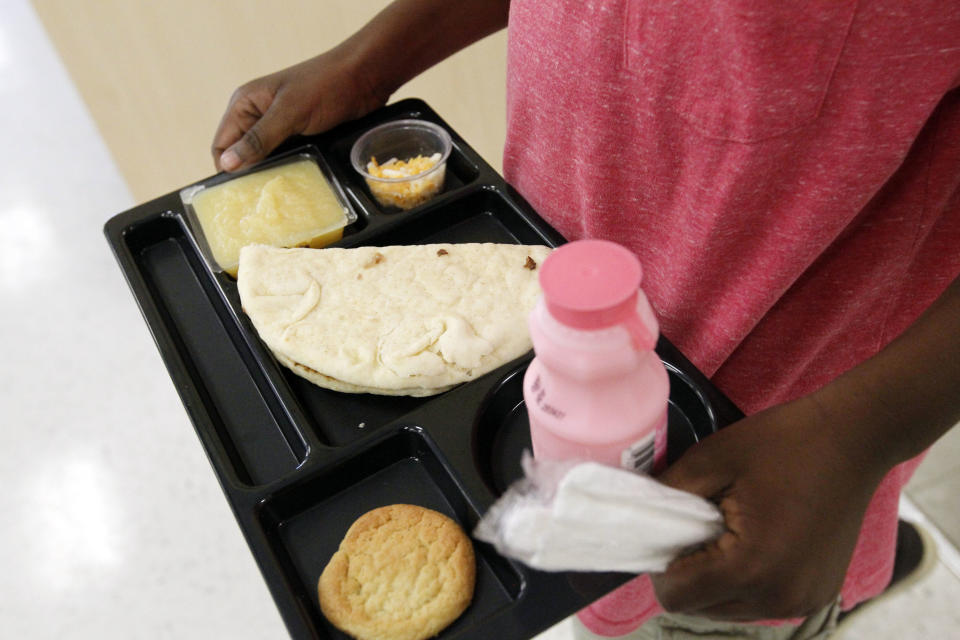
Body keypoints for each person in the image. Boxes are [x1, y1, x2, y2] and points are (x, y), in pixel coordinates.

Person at [212, 1, 960, 638]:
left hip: (778, 416)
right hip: (536, 248)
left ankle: (861, 559)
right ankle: (878, 550)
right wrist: (372, 58)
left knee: (696, 609)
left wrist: (859, 438)